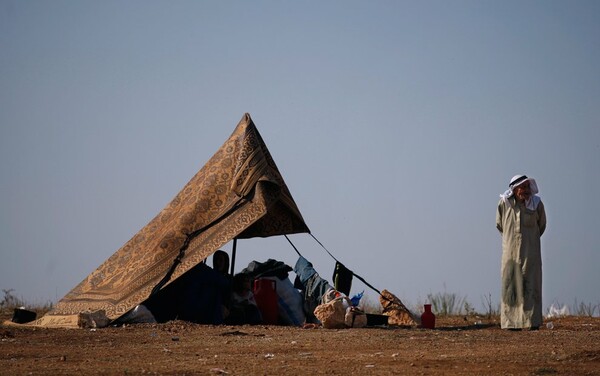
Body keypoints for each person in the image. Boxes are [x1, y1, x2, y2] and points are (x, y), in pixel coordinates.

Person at [496, 175, 547, 330]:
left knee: (532, 284)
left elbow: (542, 226)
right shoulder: (504, 203)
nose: (526, 191)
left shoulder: (536, 204)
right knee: (511, 286)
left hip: (530, 253)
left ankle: (532, 322)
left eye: (527, 187)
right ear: (515, 189)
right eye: (522, 187)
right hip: (510, 254)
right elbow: (499, 224)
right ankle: (510, 323)